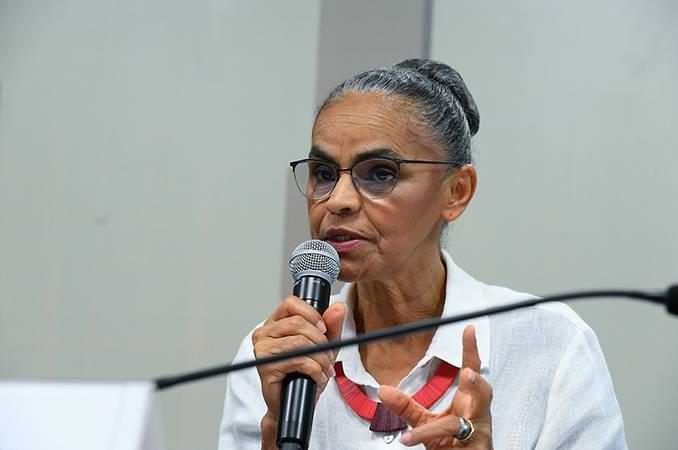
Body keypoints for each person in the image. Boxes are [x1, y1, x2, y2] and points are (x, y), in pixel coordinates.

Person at [218, 59, 627, 449]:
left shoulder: (550, 346)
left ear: (456, 192)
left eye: (380, 173)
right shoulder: (278, 353)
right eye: (324, 174)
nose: (337, 200)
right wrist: (274, 436)